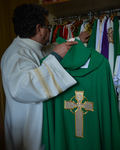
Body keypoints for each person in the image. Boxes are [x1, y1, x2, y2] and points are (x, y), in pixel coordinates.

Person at [0, 3, 90, 150]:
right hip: (30, 131)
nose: (50, 30)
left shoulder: (31, 47)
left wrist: (77, 40)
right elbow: (23, 87)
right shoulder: (16, 55)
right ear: (38, 29)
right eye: (48, 27)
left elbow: (51, 49)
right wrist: (55, 57)